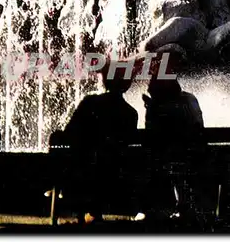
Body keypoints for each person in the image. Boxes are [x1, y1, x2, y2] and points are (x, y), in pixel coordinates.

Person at [63, 65, 138, 223]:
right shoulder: (130, 114)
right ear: (127, 84)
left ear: (105, 81)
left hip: (81, 170)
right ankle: (94, 211)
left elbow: (69, 132)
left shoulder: (90, 102)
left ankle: (86, 212)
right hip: (114, 176)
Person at [142, 75, 205, 223]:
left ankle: (160, 208)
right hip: (196, 155)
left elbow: (152, 137)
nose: (148, 88)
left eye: (151, 85)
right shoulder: (190, 99)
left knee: (156, 161)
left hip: (173, 158)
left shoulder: (159, 107)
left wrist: (151, 109)